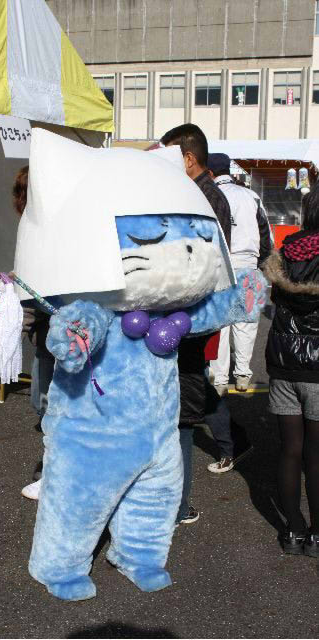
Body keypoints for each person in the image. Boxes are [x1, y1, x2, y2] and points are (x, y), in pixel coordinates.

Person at [161, 125, 251, 524]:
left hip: (191, 315)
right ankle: (233, 439)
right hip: (187, 316)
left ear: (188, 158)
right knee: (186, 396)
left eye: (170, 156)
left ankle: (179, 504)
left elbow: (202, 261)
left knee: (183, 410)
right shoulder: (198, 192)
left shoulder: (205, 197)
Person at [264, 187, 319, 558]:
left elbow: (275, 301)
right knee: (316, 456)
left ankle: (293, 530)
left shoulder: (286, 251)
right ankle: (317, 534)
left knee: (290, 450)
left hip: (283, 362)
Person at [208, 153, 273, 393]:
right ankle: (243, 375)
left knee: (220, 324)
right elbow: (266, 235)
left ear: (210, 173)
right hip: (248, 262)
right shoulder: (251, 196)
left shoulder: (210, 194)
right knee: (245, 322)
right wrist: (261, 261)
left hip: (220, 265)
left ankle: (219, 378)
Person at [11, 166, 54, 501]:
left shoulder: (42, 228)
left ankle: (53, 476)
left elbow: (34, 288)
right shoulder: (37, 225)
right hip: (51, 336)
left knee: (47, 404)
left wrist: (14, 328)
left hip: (56, 334)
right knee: (44, 402)